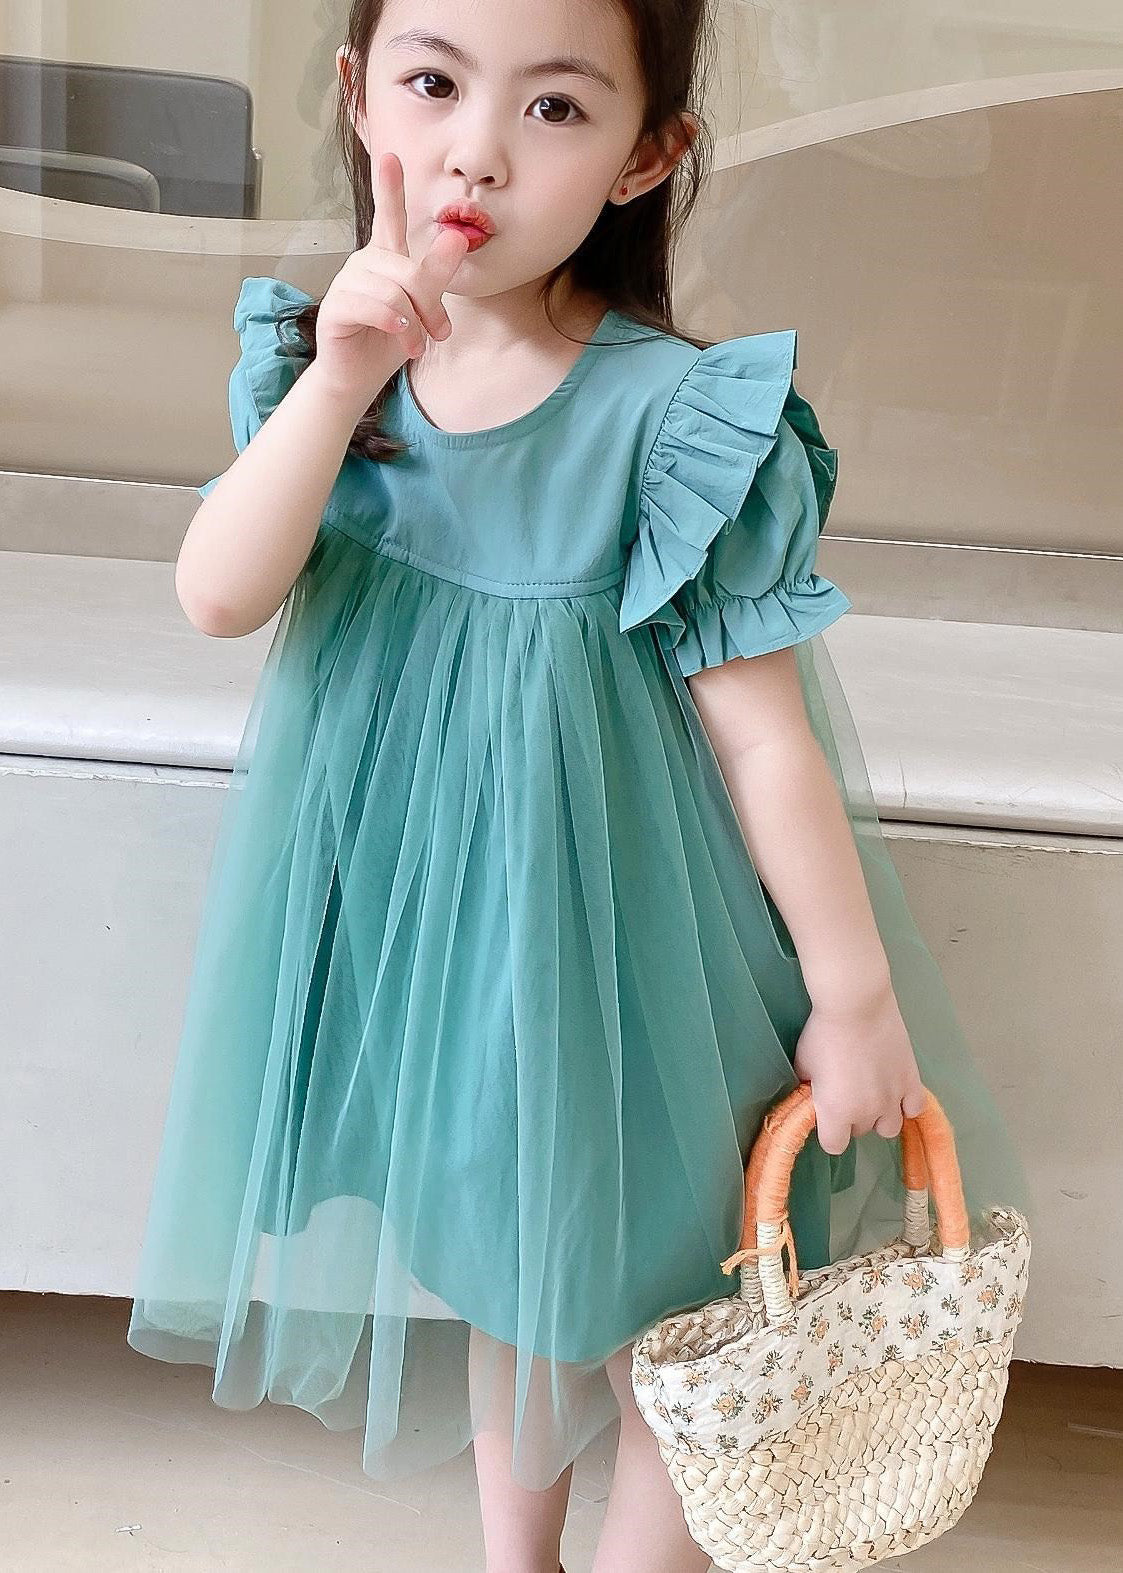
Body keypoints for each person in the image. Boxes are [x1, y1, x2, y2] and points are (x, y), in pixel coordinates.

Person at [127, 1, 1029, 1569]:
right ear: (359, 97)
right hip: (440, 945)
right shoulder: (333, 378)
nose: (476, 150)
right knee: (516, 1260)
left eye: (554, 109)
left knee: (677, 1284)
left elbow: (763, 739)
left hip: (629, 950)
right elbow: (218, 592)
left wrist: (854, 993)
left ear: (644, 157)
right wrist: (340, 380)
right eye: (433, 83)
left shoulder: (666, 421)